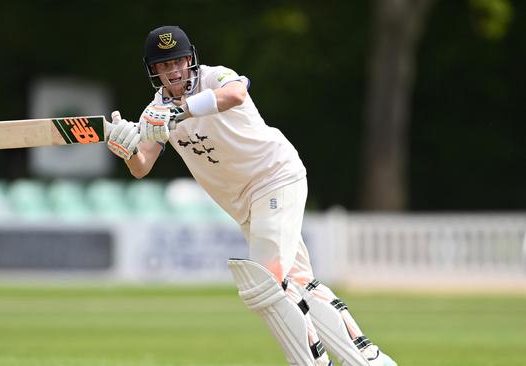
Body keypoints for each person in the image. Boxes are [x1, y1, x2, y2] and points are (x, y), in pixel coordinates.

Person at [106, 25, 397, 366]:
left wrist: (178, 112)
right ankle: (368, 358)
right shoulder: (154, 113)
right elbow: (142, 165)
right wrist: (125, 148)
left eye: (178, 62)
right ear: (154, 71)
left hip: (274, 178)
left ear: (190, 61)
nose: (173, 71)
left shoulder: (215, 79)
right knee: (298, 281)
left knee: (267, 282)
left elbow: (236, 95)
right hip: (244, 205)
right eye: (164, 65)